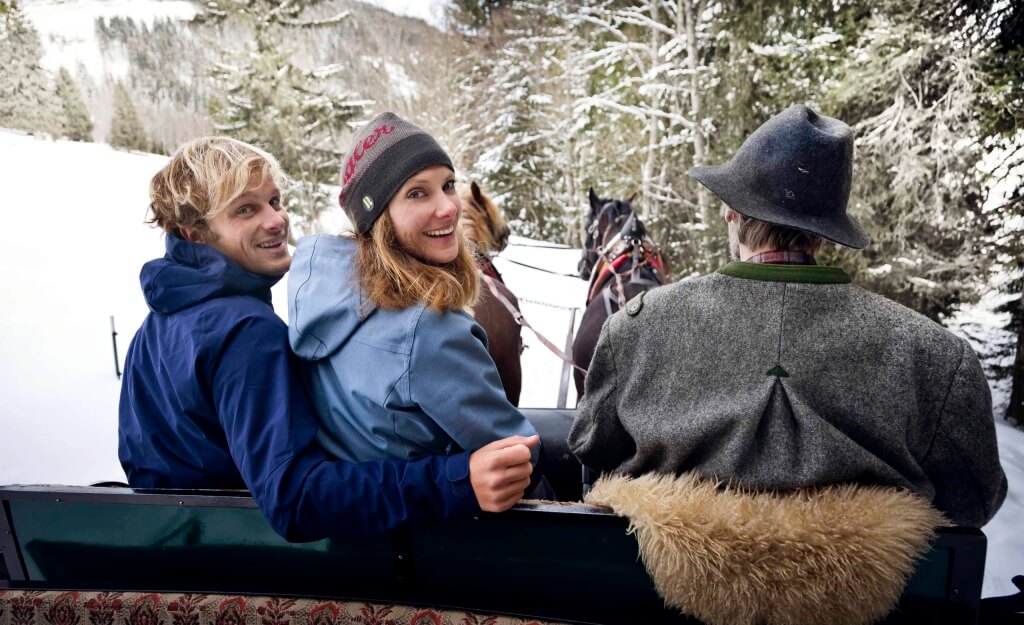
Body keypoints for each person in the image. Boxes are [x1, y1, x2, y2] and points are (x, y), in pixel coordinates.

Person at [568, 104, 1007, 528]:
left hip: (662, 597)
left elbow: (593, 461)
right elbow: (973, 504)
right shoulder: (937, 358)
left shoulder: (634, 329)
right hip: (861, 602)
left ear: (731, 213)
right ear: (825, 233)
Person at [118, 136, 539, 542]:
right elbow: (294, 497)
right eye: (246, 210)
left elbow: (143, 463)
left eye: (275, 201)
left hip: (178, 539)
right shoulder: (245, 330)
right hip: (245, 549)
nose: (276, 220)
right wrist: (455, 479)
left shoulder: (158, 324)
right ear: (194, 233)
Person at [287, 113, 543, 483]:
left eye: (448, 184)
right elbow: (519, 453)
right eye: (417, 193)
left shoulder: (320, 294)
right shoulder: (430, 330)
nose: (450, 208)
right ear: (377, 216)